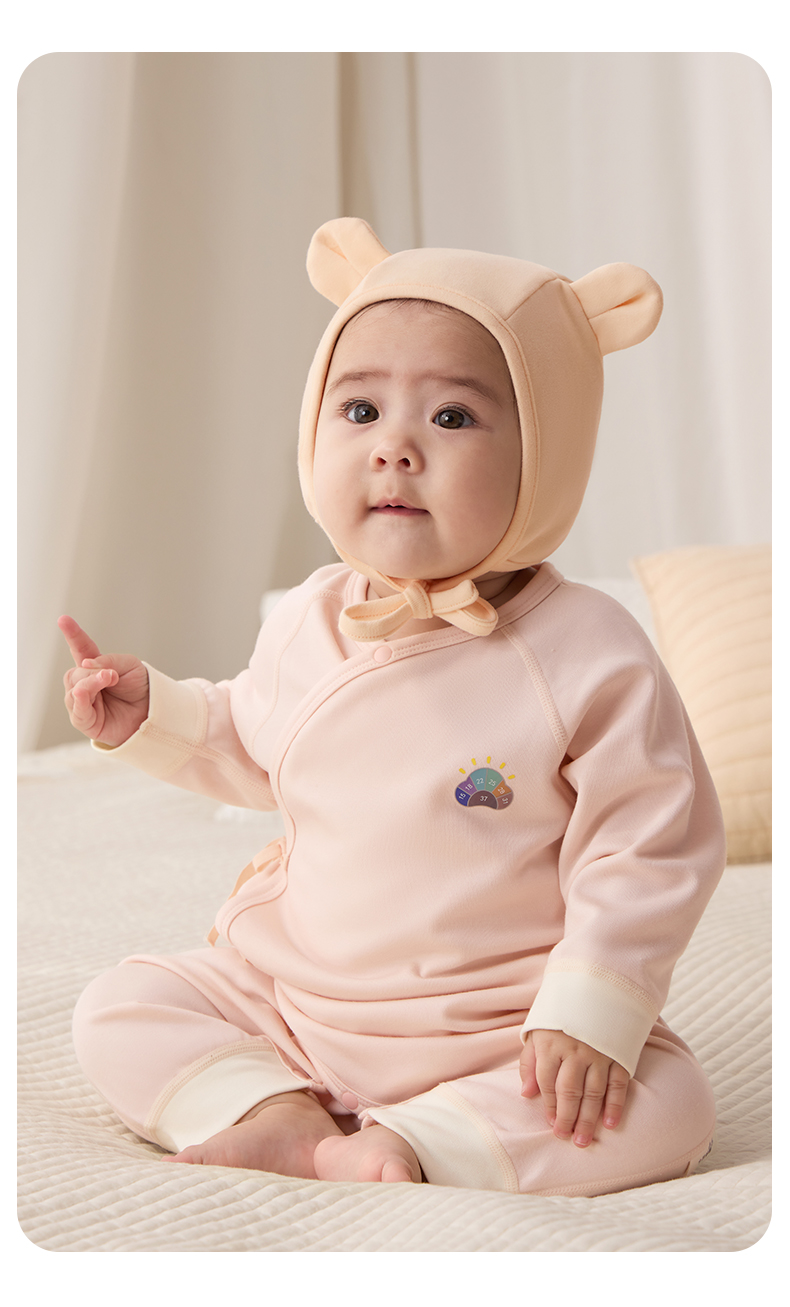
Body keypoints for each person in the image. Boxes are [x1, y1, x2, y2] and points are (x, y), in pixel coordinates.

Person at [60, 218, 724, 1194]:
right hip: (298, 997)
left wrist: (588, 1009)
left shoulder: (589, 649)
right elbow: (256, 735)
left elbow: (649, 843)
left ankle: (417, 1140)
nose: (394, 449)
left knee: (672, 1101)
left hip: (500, 1023)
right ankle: (283, 1113)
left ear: (547, 451)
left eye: (451, 417)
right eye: (361, 408)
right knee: (118, 1006)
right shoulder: (312, 614)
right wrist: (151, 713)